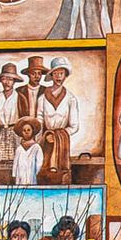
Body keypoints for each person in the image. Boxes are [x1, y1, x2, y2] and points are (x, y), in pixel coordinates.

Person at [34, 55, 78, 183]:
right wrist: (43, 137)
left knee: (60, 175)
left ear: (65, 76)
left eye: (62, 73)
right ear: (51, 75)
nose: (59, 76)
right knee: (43, 171)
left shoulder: (70, 98)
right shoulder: (42, 98)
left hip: (61, 144)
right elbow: (39, 120)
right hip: (45, 141)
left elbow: (74, 126)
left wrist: (58, 135)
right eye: (56, 73)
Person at [11, 119, 44, 186]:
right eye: (24, 130)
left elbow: (39, 163)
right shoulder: (19, 148)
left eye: (28, 130)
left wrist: (36, 173)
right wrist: (14, 174)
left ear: (33, 131)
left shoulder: (36, 147)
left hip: (31, 176)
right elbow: (15, 163)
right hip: (20, 176)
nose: (26, 132)